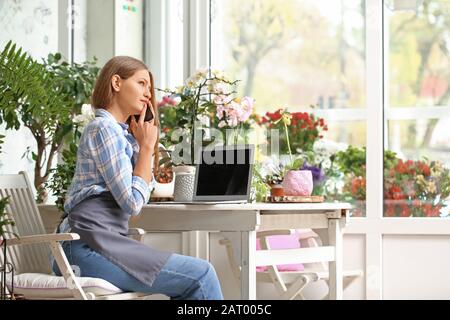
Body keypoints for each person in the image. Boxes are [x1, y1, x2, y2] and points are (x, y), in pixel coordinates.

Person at [53, 56, 223, 300]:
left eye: (150, 88)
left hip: (102, 243)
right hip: (84, 248)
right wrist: (146, 148)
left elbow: (139, 194)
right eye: (142, 83)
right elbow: (133, 203)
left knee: (198, 276)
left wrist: (141, 143)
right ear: (116, 83)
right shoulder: (103, 129)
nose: (147, 93)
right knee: (201, 275)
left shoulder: (122, 136)